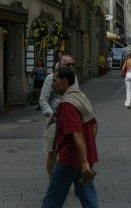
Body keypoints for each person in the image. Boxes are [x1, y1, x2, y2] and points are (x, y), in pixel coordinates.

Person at [41, 67, 99, 208]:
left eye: (55, 80)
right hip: (81, 158)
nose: (53, 83)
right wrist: (86, 154)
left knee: (52, 199)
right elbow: (95, 125)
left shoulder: (67, 104)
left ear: (65, 81)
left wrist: (84, 161)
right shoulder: (79, 96)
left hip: (70, 159)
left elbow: (76, 133)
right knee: (88, 198)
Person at [39, 55, 79, 178]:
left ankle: (67, 179)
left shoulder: (74, 78)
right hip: (55, 119)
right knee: (52, 151)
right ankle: (53, 180)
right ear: (60, 64)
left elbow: (76, 96)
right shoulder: (51, 78)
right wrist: (51, 115)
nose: (71, 66)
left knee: (71, 150)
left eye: (72, 64)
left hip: (70, 118)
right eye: (68, 64)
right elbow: (43, 100)